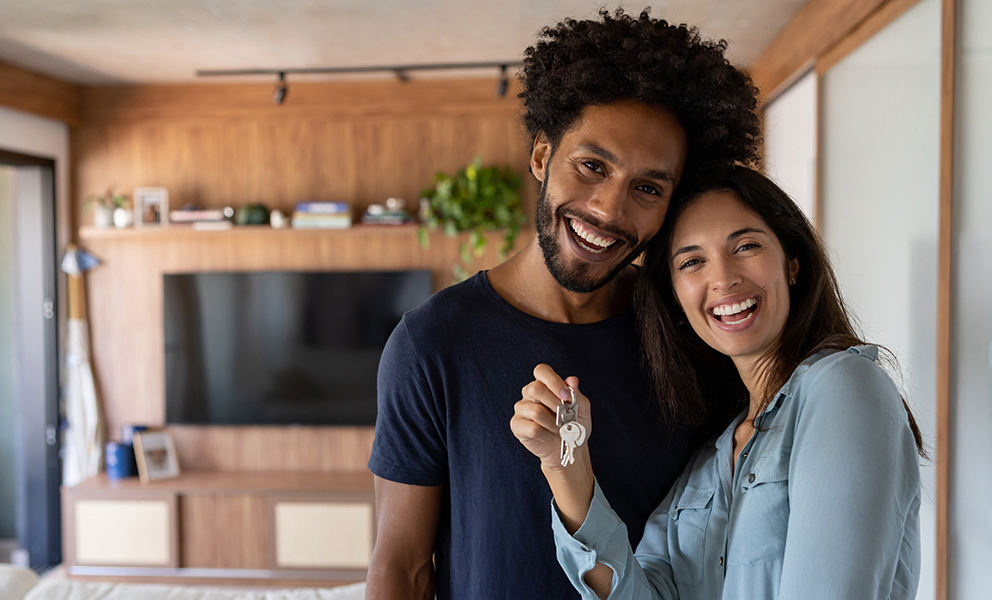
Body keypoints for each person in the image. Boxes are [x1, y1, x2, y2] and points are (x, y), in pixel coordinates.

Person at [365, 9, 761, 600]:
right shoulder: (433, 343)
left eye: (648, 188)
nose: (608, 209)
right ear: (541, 155)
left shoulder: (693, 335)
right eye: (592, 166)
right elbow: (402, 566)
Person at [512, 166, 925, 600]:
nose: (724, 279)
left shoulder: (843, 385)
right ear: (675, 297)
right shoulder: (708, 461)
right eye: (692, 261)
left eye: (746, 246)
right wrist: (567, 468)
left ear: (793, 263)